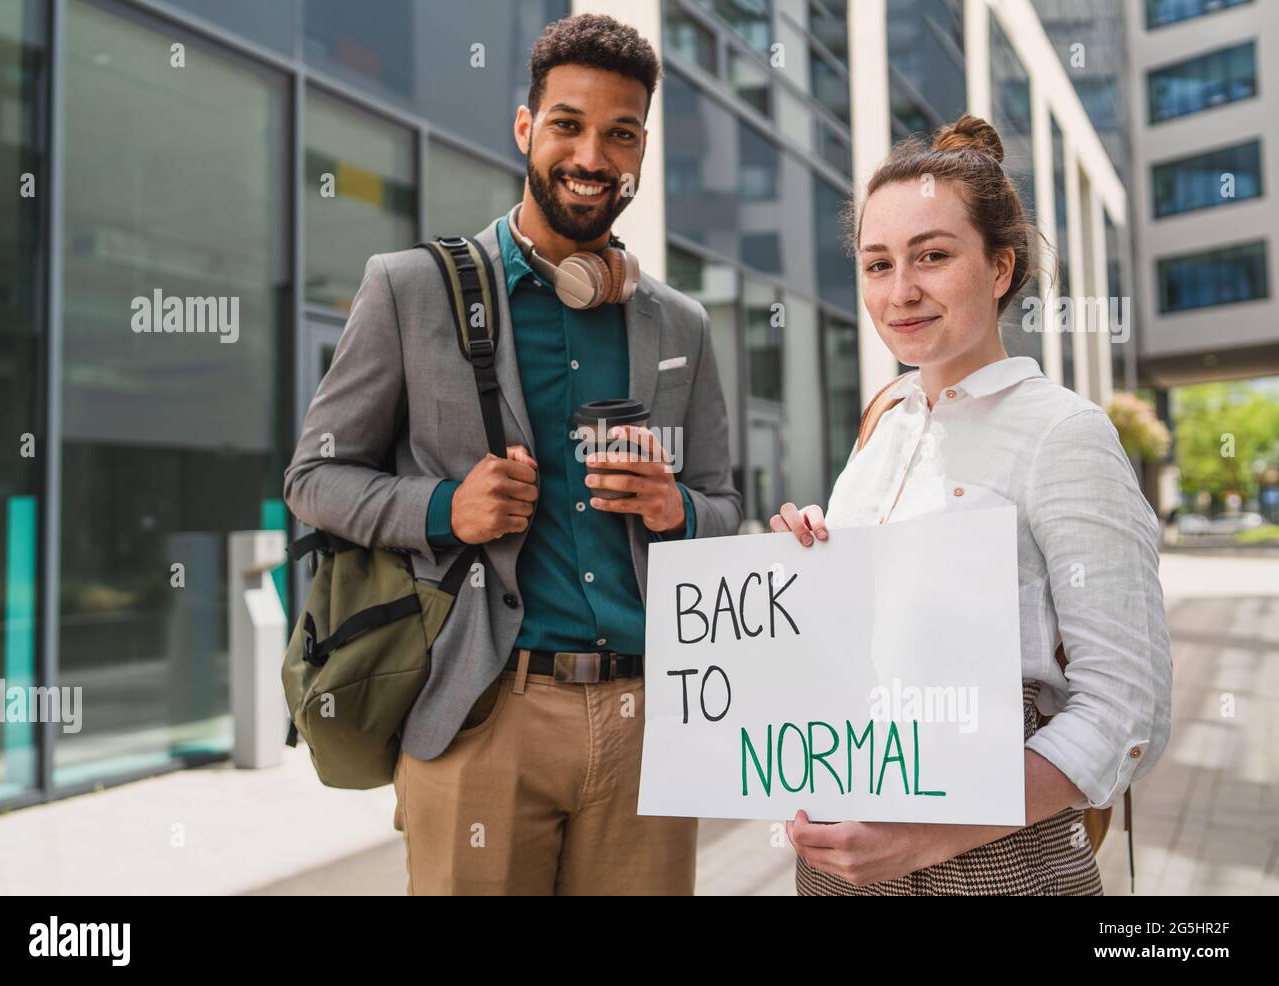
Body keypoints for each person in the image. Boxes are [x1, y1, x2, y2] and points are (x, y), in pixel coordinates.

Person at [283, 14, 741, 895]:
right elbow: (314, 477)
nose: (593, 156)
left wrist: (675, 508)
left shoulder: (679, 323)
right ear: (526, 128)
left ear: (641, 150)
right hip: (483, 717)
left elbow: (725, 504)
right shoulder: (408, 288)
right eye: (568, 124)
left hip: (650, 724)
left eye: (621, 133)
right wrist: (439, 508)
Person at [771, 113, 1172, 895]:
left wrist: (926, 835)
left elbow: (1127, 712)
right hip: (834, 865)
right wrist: (808, 566)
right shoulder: (882, 421)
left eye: (933, 256)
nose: (901, 291)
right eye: (877, 264)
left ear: (998, 269)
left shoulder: (1064, 433)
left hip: (995, 866)